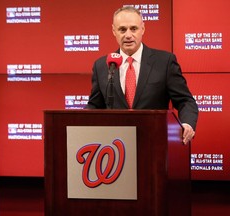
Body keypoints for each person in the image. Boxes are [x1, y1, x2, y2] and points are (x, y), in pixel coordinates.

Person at [85, 6, 198, 144]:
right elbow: (94, 105)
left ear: (142, 29)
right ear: (114, 31)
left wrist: (187, 124)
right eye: (122, 29)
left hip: (155, 143)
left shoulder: (164, 62)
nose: (128, 35)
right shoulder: (102, 65)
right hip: (115, 147)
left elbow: (185, 101)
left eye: (133, 29)